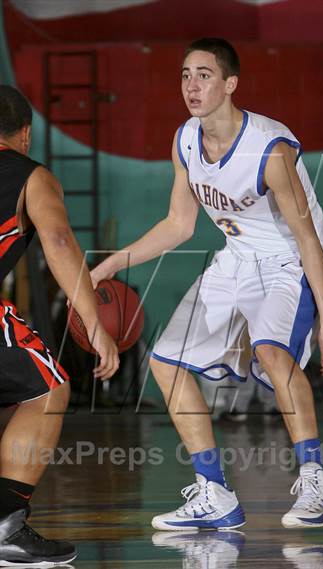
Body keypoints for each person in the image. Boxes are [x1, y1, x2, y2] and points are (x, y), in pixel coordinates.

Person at [91, 37, 323, 530]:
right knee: (165, 363)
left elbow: (309, 239)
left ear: (230, 84)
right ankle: (215, 494)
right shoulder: (185, 139)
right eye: (186, 74)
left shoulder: (267, 149)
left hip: (289, 260)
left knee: (273, 353)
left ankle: (318, 482)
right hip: (238, 258)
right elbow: (179, 225)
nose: (192, 85)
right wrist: (110, 264)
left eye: (204, 75)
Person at [0, 85, 119, 565]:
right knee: (47, 389)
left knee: (11, 397)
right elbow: (60, 242)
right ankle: (5, 528)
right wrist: (94, 320)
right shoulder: (30, 176)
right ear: (25, 134)